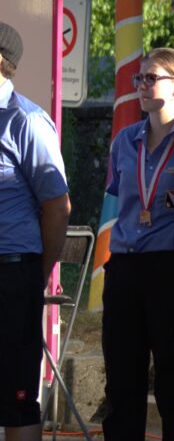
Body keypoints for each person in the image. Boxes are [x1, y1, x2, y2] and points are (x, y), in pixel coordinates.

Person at [102, 47, 174, 441]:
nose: (142, 85)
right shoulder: (124, 141)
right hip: (125, 266)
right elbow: (122, 198)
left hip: (173, 269)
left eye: (152, 78)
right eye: (140, 78)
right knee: (121, 380)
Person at [0, 22, 71, 441]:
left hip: (11, 271)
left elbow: (57, 206)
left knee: (16, 394)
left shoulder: (25, 120)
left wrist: (37, 273)